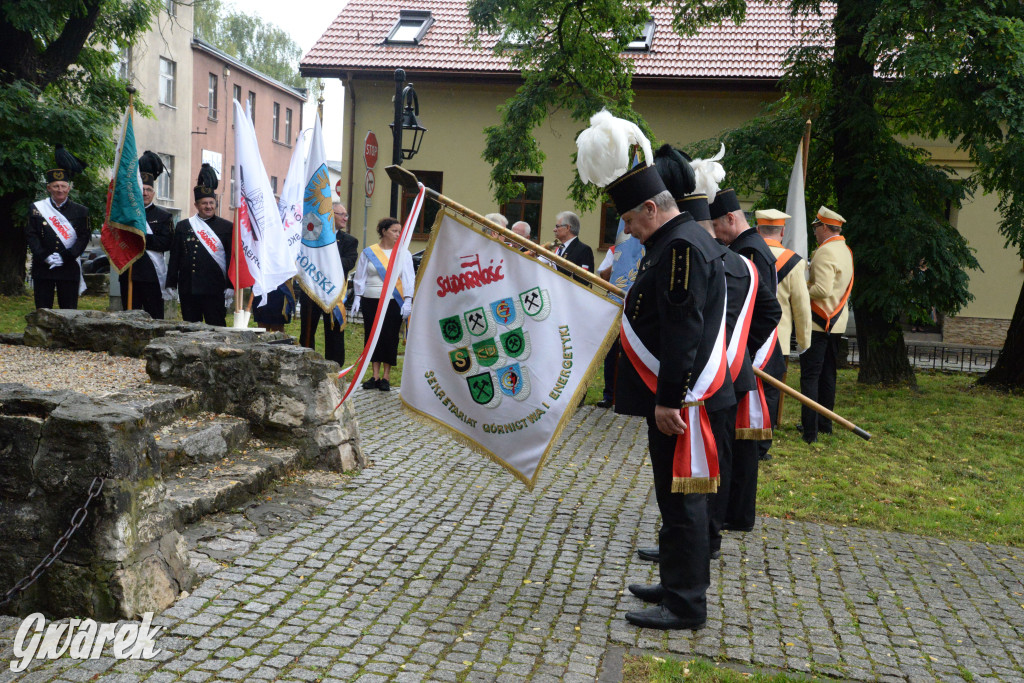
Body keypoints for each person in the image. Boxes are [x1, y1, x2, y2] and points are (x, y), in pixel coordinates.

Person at [576, 109, 728, 630]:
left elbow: (684, 331)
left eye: (630, 221)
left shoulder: (680, 248)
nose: (627, 231)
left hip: (685, 404)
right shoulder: (673, 241)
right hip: (683, 399)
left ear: (650, 208)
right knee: (672, 496)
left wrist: (668, 400)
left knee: (683, 500)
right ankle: (673, 580)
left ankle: (685, 604)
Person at [711, 193, 787, 471]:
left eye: (717, 227)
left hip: (755, 353)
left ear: (731, 219)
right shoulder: (751, 244)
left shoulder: (748, 252)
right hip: (754, 351)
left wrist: (744, 349)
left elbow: (757, 311)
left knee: (744, 450)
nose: (716, 234)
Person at [800, 206, 854, 444]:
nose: (814, 232)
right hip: (837, 322)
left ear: (824, 227)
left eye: (815, 227)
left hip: (818, 322)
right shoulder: (845, 250)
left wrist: (800, 287)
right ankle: (824, 425)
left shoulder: (824, 252)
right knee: (828, 376)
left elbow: (821, 290)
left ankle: (810, 431)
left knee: (810, 377)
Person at [351, 217, 415, 392]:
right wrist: (357, 296)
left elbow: (409, 278)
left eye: (399, 231)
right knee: (372, 336)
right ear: (384, 231)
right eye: (395, 231)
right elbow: (361, 276)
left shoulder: (404, 253)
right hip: (370, 299)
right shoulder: (369, 252)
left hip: (393, 301)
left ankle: (386, 377)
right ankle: (375, 375)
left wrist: (408, 300)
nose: (398, 234)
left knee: (390, 336)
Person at [166, 163, 233, 326]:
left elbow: (232, 257)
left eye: (211, 203)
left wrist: (231, 285)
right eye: (204, 203)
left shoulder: (227, 227)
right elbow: (175, 257)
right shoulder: (183, 226)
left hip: (214, 289)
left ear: (215, 203)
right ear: (196, 205)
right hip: (189, 288)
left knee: (216, 328)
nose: (208, 206)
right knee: (190, 329)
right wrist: (170, 283)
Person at [26, 145, 90, 310]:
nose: (60, 190)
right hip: (43, 267)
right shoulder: (36, 208)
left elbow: (83, 238)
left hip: (68, 268)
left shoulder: (81, 211)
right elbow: (31, 235)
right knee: (42, 311)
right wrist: (45, 256)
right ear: (49, 188)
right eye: (55, 186)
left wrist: (66, 257)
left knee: (68, 313)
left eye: (63, 186)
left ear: (69, 188)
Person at [298, 202, 359, 363]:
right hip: (312, 290)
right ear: (331, 216)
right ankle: (305, 363)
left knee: (335, 332)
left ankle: (334, 367)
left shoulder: (349, 241)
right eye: (342, 215)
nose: (345, 218)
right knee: (307, 331)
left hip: (333, 292)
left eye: (346, 215)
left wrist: (327, 262)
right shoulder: (314, 237)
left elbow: (350, 262)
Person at [119, 151, 173, 319]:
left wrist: (139, 239)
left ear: (153, 193)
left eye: (149, 189)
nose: (145, 193)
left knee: (155, 318)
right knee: (129, 319)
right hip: (129, 274)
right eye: (141, 189)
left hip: (152, 276)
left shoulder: (164, 216)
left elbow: (165, 243)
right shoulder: (126, 215)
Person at [757, 214, 811, 357]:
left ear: (757, 230)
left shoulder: (744, 254)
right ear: (782, 232)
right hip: (778, 341)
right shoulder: (794, 262)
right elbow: (801, 307)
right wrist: (804, 342)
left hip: (746, 340)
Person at [552, 211, 595, 284]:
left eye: (557, 226)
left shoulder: (583, 250)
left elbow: (584, 281)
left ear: (568, 227)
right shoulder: (559, 248)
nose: (554, 230)